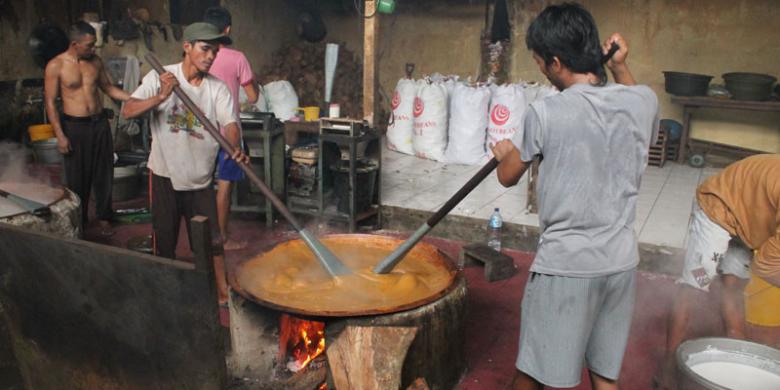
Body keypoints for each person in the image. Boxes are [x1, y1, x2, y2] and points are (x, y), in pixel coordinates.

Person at [490, 3, 658, 389]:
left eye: (539, 63)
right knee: (604, 375)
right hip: (620, 265)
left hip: (565, 268)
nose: (542, 72)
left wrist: (504, 153)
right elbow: (636, 102)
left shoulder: (545, 112)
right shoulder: (642, 101)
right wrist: (619, 66)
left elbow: (507, 176)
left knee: (533, 372)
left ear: (554, 62)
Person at [121, 22, 248, 304]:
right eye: (205, 49)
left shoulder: (217, 89)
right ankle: (164, 293)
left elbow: (229, 125)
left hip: (199, 179)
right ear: (187, 47)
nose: (211, 57)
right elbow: (128, 110)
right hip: (164, 174)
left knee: (211, 242)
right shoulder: (161, 77)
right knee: (163, 240)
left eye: (215, 51)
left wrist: (233, 146)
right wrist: (161, 97)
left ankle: (221, 290)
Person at [657, 154, 780, 389]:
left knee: (734, 286)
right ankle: (669, 365)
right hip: (719, 207)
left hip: (750, 217)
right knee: (697, 284)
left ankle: (736, 347)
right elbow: (766, 266)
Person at [44, 21, 131, 236]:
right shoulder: (56, 65)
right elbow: (50, 103)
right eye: (90, 45)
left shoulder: (95, 62)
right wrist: (60, 135)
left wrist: (136, 98)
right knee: (76, 178)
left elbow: (108, 88)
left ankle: (104, 217)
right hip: (74, 127)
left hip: (99, 123)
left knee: (103, 173)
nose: (93, 49)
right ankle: (79, 219)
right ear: (75, 43)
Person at [204, 6, 259, 250]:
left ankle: (202, 238)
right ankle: (222, 238)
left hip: (200, 130)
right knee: (224, 186)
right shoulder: (237, 58)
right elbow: (253, 97)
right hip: (228, 131)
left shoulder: (198, 56)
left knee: (201, 186)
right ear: (227, 29)